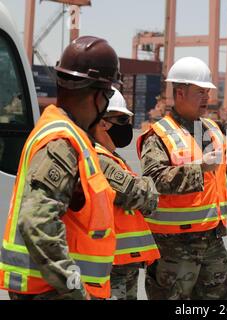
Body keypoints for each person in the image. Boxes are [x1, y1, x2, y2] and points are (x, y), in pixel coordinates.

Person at [0, 36, 121, 300]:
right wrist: (75, 288)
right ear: (97, 95)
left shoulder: (68, 136)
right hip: (52, 293)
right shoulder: (63, 142)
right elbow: (36, 222)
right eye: (109, 94)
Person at [137, 56, 227, 300]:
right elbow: (155, 181)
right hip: (173, 249)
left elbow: (221, 170)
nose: (207, 98)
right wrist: (199, 168)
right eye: (200, 92)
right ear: (179, 93)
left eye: (208, 92)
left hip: (212, 241)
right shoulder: (158, 134)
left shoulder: (211, 128)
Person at [89, 87, 160, 300]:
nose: (127, 126)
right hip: (110, 267)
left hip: (122, 264)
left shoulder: (112, 157)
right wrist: (147, 183)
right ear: (103, 123)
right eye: (121, 120)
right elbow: (142, 196)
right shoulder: (100, 159)